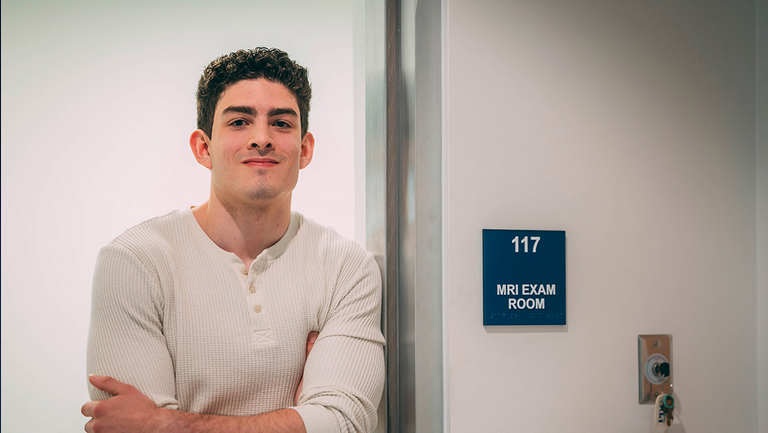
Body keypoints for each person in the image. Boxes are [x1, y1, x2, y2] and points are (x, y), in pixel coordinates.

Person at [81, 47, 385, 433]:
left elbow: (345, 421)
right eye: (240, 121)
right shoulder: (134, 261)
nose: (262, 139)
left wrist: (166, 423)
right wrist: (302, 419)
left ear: (305, 149)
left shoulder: (346, 266)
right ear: (203, 148)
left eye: (281, 123)